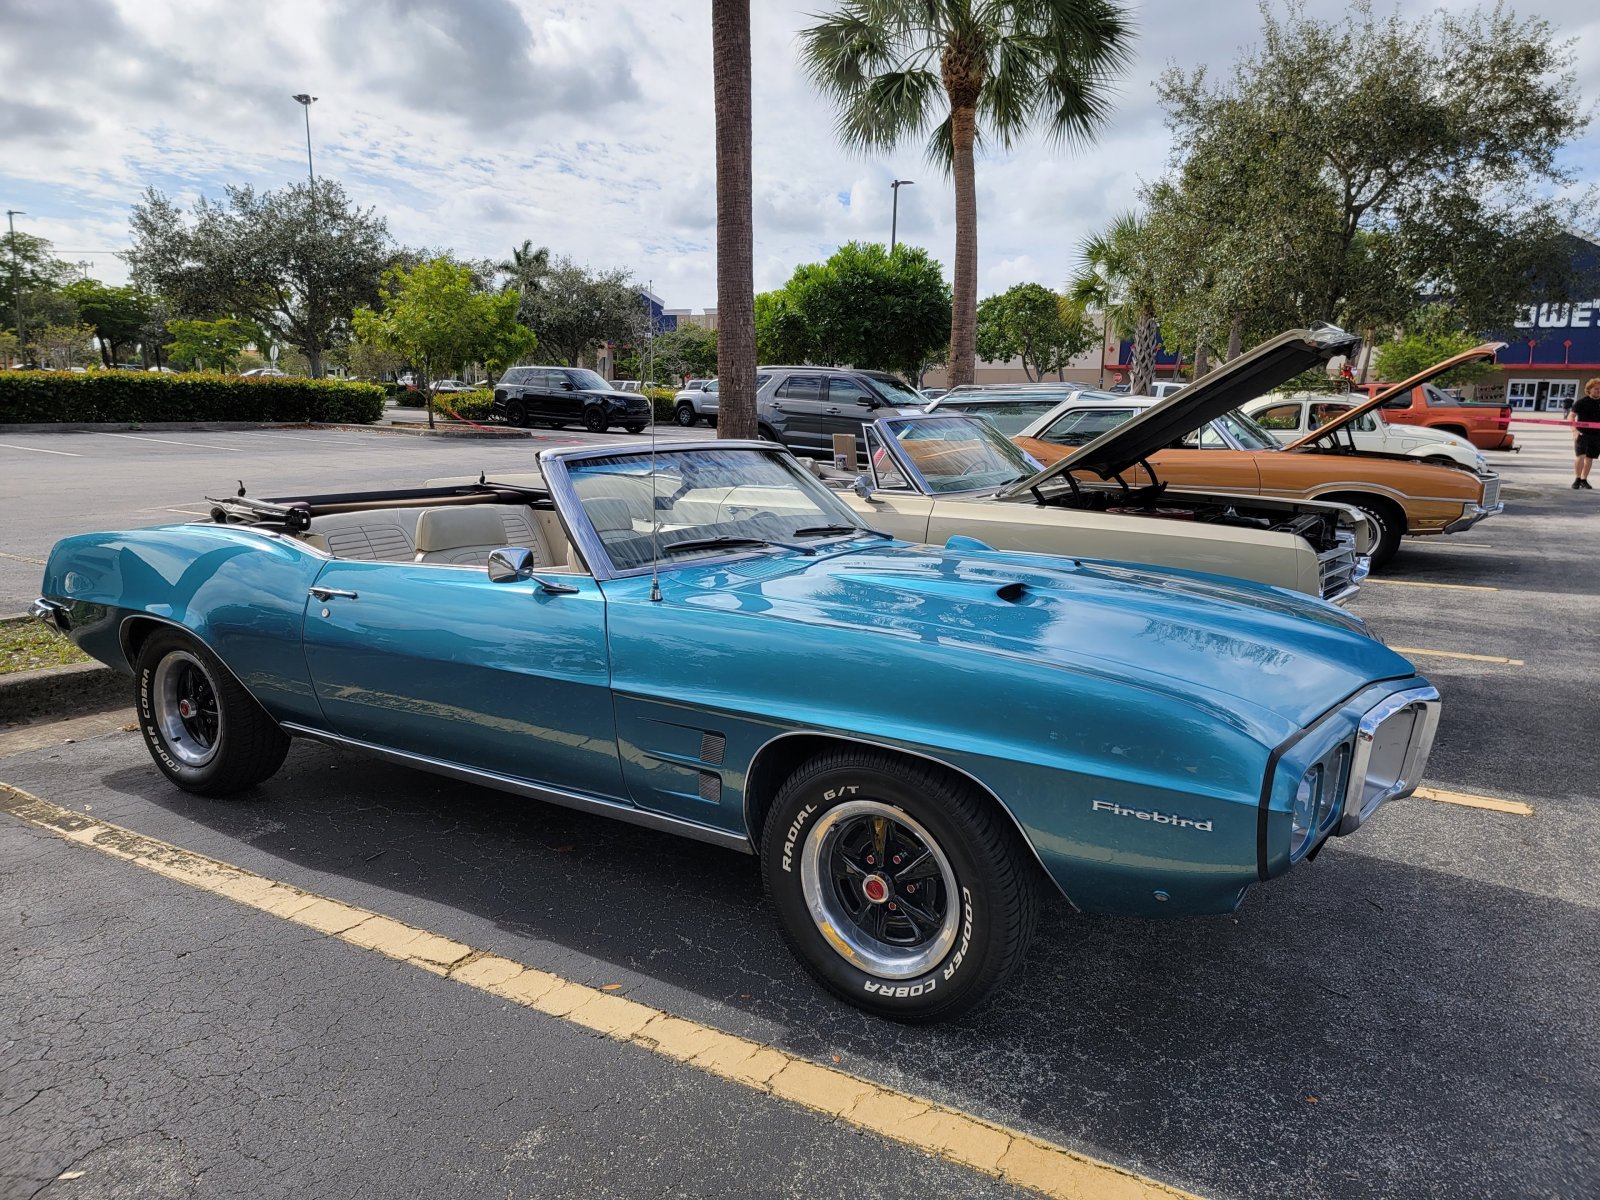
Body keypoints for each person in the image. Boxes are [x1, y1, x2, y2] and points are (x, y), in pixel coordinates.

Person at [1571, 377, 1600, 490]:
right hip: (1582, 433)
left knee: (1590, 457)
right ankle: (1577, 479)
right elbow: (1571, 416)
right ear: (1589, 390)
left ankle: (1584, 480)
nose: (1598, 391)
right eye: (1596, 389)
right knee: (1581, 456)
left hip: (1597, 435)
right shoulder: (1582, 402)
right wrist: (1574, 430)